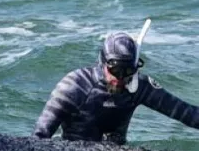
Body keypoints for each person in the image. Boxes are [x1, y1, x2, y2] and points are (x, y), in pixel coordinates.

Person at [34, 30, 199, 144]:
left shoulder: (138, 87)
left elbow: (188, 114)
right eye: (115, 70)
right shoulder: (75, 85)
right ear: (103, 62)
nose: (120, 78)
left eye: (128, 71)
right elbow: (40, 135)